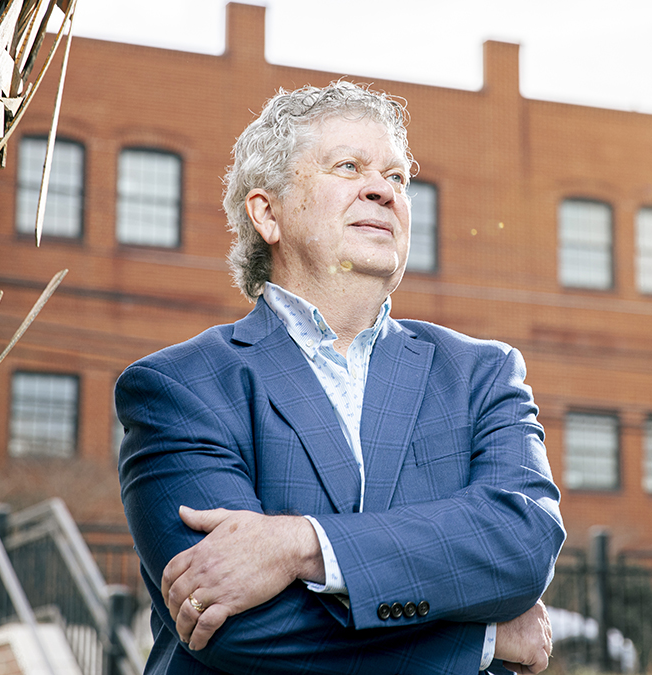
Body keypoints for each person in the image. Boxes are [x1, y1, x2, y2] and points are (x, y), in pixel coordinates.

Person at [117, 81, 566, 674]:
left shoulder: (482, 373)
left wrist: (301, 544)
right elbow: (234, 628)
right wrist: (482, 641)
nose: (383, 190)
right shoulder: (181, 386)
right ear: (267, 213)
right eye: (348, 166)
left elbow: (523, 544)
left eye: (398, 177)